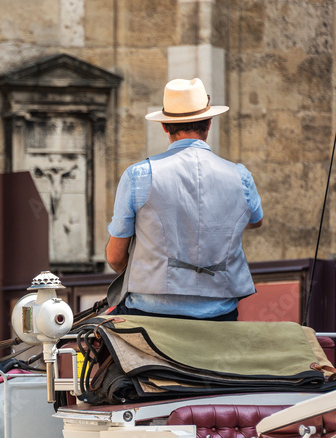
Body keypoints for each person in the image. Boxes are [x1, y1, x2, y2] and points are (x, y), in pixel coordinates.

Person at [105, 77, 263, 321]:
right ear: (209, 123)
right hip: (219, 311)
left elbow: (115, 258)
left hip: (150, 310)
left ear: (165, 127)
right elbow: (254, 221)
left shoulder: (138, 175)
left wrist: (148, 271)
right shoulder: (240, 176)